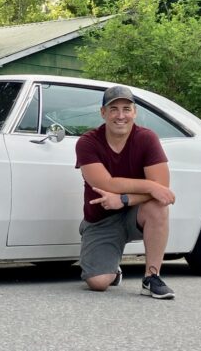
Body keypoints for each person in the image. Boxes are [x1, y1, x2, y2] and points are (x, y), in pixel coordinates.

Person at [74, 84, 176, 299]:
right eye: (113, 109)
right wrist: (149, 185)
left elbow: (162, 190)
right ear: (103, 113)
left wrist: (125, 199)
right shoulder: (87, 142)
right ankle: (111, 268)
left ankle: (152, 278)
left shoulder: (147, 139)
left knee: (158, 206)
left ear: (135, 112)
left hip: (134, 213)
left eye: (126, 109)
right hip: (100, 220)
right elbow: (106, 183)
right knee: (98, 283)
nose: (120, 116)